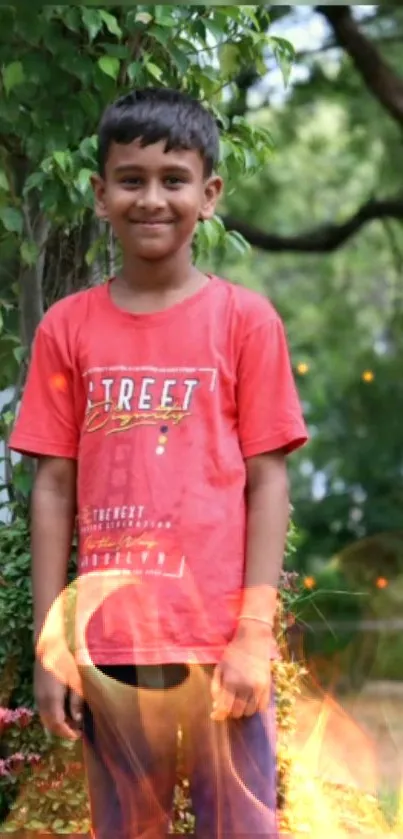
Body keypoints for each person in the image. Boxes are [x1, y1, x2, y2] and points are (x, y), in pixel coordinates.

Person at [9, 87, 308, 839]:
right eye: (131, 178)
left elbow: (268, 480)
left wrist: (252, 633)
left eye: (173, 179)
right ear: (100, 192)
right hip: (112, 648)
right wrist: (54, 648)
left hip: (216, 643)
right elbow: (52, 487)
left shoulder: (245, 322)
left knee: (237, 829)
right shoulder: (67, 329)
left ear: (208, 195)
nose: (151, 198)